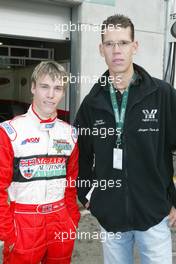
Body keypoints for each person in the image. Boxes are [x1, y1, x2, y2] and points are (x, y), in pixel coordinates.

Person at [74, 14, 176, 264]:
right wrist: (88, 194)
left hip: (154, 216)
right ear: (101, 49)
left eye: (122, 43)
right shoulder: (92, 102)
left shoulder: (161, 95)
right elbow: (80, 155)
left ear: (135, 46)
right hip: (112, 219)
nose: (116, 50)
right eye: (109, 44)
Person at [0, 61, 80, 264]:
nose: (51, 95)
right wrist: (8, 233)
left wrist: (72, 221)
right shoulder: (10, 132)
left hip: (60, 220)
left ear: (63, 93)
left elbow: (71, 184)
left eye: (58, 88)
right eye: (45, 87)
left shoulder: (70, 133)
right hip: (23, 220)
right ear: (33, 87)